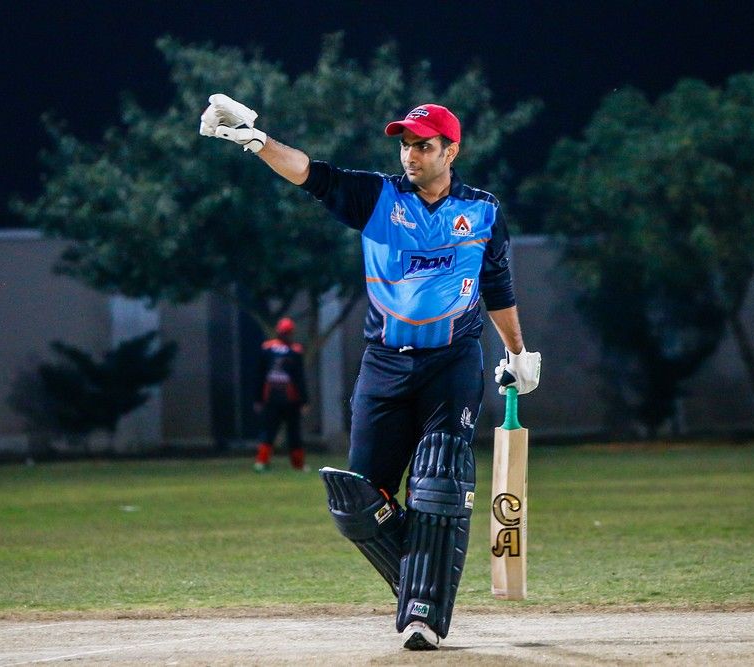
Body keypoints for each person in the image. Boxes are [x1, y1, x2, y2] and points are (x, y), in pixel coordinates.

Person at [200, 94, 541, 650]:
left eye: (423, 145)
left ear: (451, 151)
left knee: (438, 478)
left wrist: (518, 353)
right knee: (359, 501)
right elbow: (311, 174)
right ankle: (423, 582)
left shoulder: (482, 211)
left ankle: (422, 615)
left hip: (451, 362)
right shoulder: (378, 197)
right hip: (384, 363)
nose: (411, 154)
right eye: (406, 144)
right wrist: (257, 141)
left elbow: (497, 285)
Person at [253, 317, 309, 472]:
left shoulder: (267, 348)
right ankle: (297, 465)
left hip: (273, 397)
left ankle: (262, 462)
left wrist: (258, 398)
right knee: (291, 432)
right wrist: (304, 400)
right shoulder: (295, 351)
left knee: (271, 431)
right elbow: (299, 378)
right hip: (289, 398)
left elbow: (259, 376)